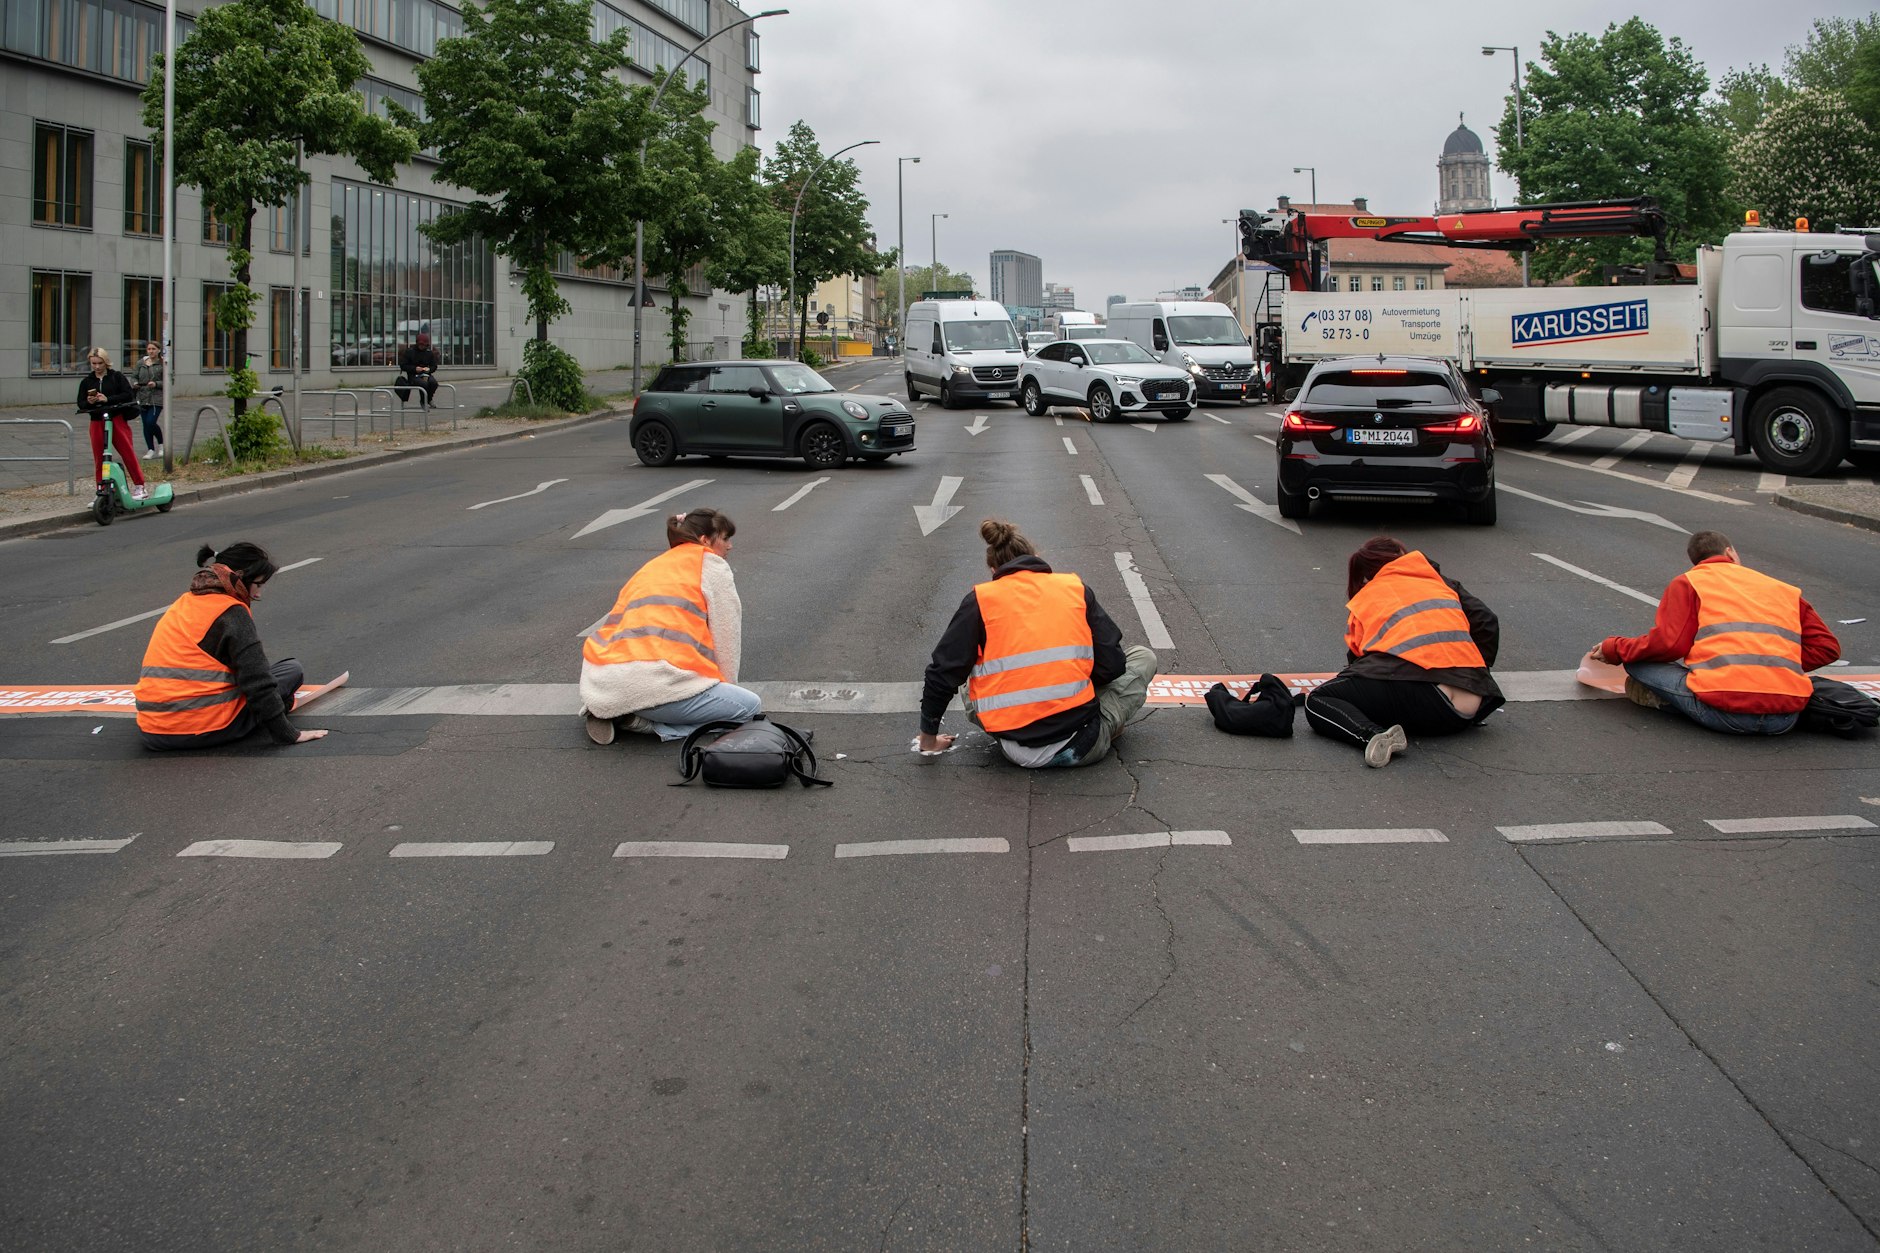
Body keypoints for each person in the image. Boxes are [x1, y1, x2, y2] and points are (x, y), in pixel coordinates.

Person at [918, 519, 1158, 768]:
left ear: (993, 570)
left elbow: (942, 672)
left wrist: (929, 740)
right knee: (1143, 657)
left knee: (973, 677)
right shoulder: (1074, 589)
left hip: (1013, 748)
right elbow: (1113, 665)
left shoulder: (980, 600)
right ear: (1036, 558)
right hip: (1080, 744)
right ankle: (1108, 727)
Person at [1587, 530, 1839, 735]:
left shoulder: (1690, 582)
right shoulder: (1782, 588)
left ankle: (1667, 701)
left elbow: (1669, 646)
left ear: (1697, 562)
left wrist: (1614, 648)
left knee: (1637, 665)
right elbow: (1827, 648)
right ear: (1730, 552)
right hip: (1785, 717)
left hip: (1724, 713)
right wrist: (1777, 666)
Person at [1304, 537, 1503, 767]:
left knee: (1318, 700)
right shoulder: (1440, 582)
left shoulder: (1368, 596)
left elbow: (1360, 661)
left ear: (1369, 573)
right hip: (1468, 709)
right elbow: (1487, 621)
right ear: (1402, 555)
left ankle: (1371, 736)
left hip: (1425, 702)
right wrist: (1476, 674)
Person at [580, 508, 761, 744]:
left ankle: (611, 709)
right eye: (725, 538)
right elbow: (727, 636)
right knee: (748, 708)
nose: (729, 546)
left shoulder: (653, 566)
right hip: (654, 688)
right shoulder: (711, 566)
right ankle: (644, 725)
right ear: (705, 540)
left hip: (603, 681)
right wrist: (726, 692)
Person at [135, 542, 328, 750]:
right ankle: (272, 711)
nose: (258, 594)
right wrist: (287, 734)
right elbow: (258, 682)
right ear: (240, 577)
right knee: (292, 670)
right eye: (258, 585)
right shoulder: (232, 612)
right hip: (203, 728)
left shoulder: (183, 604)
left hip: (153, 730)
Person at [76, 347, 148, 501]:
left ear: (106, 362)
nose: (96, 367)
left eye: (100, 363)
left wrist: (107, 399)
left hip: (116, 419)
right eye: (93, 363)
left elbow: (127, 394)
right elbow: (80, 402)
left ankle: (140, 485)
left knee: (127, 452)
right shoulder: (87, 381)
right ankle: (101, 490)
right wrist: (89, 402)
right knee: (99, 457)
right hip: (96, 421)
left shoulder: (116, 377)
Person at [133, 340, 165, 459]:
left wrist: (156, 384)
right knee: (145, 424)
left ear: (158, 350)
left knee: (151, 422)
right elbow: (134, 376)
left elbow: (168, 380)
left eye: (153, 349)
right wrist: (135, 383)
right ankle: (150, 449)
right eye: (149, 349)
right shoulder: (141, 363)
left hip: (156, 398)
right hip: (142, 397)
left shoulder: (162, 363)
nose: (151, 351)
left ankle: (161, 445)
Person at [396, 332, 440, 407]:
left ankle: (429, 399)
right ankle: (423, 402)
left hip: (425, 374)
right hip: (413, 376)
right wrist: (414, 369)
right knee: (423, 384)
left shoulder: (429, 353)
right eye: (420, 345)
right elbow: (403, 365)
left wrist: (429, 369)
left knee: (433, 383)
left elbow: (434, 366)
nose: (422, 347)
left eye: (424, 345)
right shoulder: (410, 352)